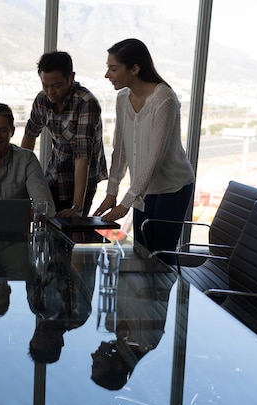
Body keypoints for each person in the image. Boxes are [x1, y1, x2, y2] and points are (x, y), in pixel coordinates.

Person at [93, 39, 195, 259]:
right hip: (143, 190)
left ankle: (161, 294)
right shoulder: (122, 98)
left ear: (135, 69)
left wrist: (125, 203)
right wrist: (112, 192)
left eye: (113, 68)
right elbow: (120, 149)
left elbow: (154, 159)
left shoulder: (164, 99)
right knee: (142, 252)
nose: (107, 75)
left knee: (161, 257)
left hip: (172, 188)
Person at [21, 51, 108, 218]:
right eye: (45, 85)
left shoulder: (86, 103)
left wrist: (77, 207)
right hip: (54, 174)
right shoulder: (42, 100)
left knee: (70, 230)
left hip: (81, 182)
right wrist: (19, 175)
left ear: (71, 77)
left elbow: (82, 157)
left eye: (56, 86)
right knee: (47, 225)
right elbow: (30, 135)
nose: (50, 91)